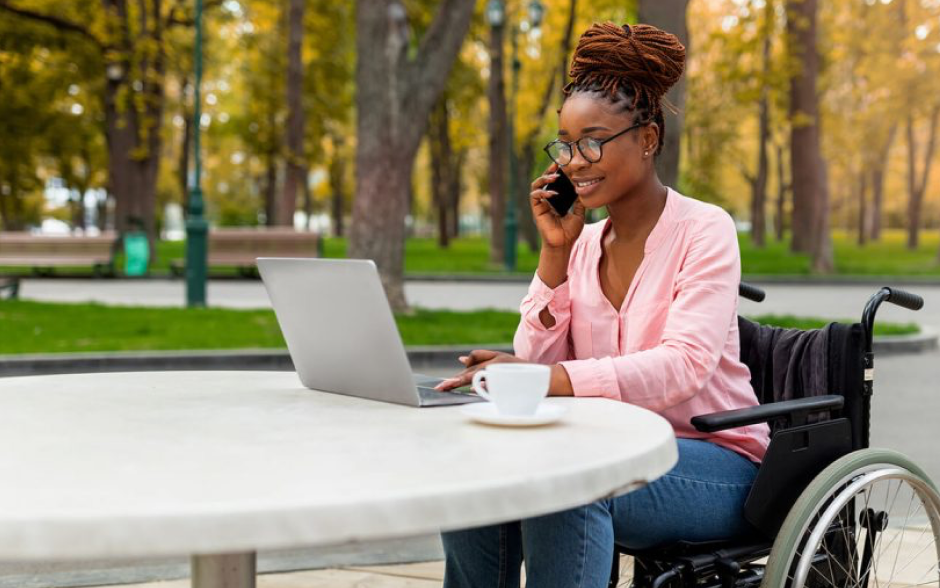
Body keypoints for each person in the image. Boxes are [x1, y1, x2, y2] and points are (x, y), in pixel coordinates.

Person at [433, 21, 771, 588]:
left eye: (592, 141)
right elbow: (535, 359)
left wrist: (551, 381)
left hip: (712, 460)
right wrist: (554, 254)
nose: (574, 161)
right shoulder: (585, 243)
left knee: (566, 480)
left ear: (647, 139)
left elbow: (684, 365)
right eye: (565, 145)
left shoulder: (704, 230)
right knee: (477, 468)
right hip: (607, 443)